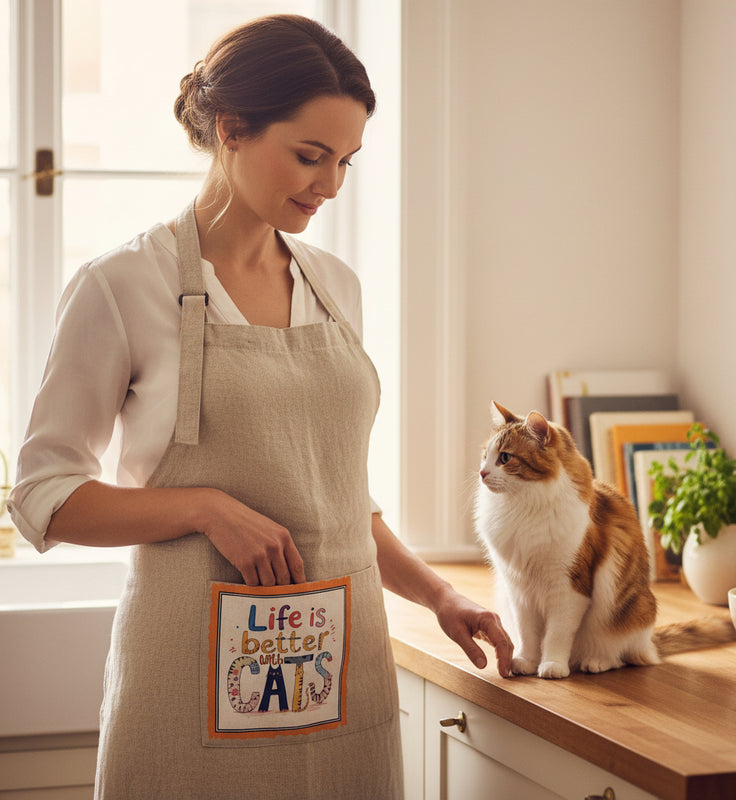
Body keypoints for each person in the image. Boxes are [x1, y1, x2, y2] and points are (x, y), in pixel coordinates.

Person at [8, 14, 512, 799]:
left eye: (345, 160)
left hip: (338, 673)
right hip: (186, 688)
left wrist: (439, 594)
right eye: (309, 156)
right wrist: (206, 508)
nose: (331, 185)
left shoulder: (336, 286)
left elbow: (337, 498)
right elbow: (43, 498)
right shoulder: (121, 286)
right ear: (231, 128)